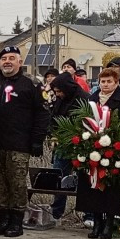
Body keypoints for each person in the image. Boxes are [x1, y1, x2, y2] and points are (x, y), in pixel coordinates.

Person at [0, 46, 50, 237]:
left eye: (12, 58)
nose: (7, 62)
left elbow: (43, 114)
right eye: (4, 58)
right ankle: (3, 219)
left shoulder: (32, 84)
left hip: (19, 144)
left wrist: (37, 140)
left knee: (17, 183)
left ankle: (16, 221)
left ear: (20, 62)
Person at [79, 67, 120, 239]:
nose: (105, 85)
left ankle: (109, 223)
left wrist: (117, 139)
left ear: (116, 83)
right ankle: (96, 222)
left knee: (110, 188)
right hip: (92, 149)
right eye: (102, 81)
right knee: (93, 186)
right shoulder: (91, 99)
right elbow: (83, 121)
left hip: (113, 150)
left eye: (109, 81)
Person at [48, 71, 90, 222]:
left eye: (59, 91)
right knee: (59, 177)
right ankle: (56, 211)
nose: (58, 94)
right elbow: (53, 118)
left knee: (84, 179)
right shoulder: (60, 100)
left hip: (81, 145)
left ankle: (88, 213)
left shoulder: (84, 99)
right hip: (62, 145)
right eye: (56, 92)